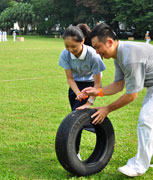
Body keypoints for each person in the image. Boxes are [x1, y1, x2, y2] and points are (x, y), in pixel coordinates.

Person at [80, 23, 153, 177]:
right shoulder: (119, 55)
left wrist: (107, 109)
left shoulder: (130, 57)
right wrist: (97, 92)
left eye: (98, 47)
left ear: (110, 42)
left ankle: (138, 166)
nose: (97, 52)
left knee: (147, 119)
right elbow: (118, 85)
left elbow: (132, 95)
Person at [59, 25, 106, 156]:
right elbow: (70, 79)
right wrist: (78, 93)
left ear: (82, 41)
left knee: (75, 118)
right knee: (77, 118)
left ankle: (75, 153)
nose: (70, 50)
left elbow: (97, 83)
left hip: (90, 85)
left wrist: (89, 101)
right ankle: (100, 130)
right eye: (67, 46)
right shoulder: (65, 54)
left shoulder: (93, 55)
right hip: (74, 87)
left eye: (73, 47)